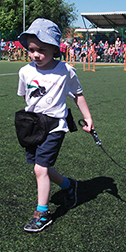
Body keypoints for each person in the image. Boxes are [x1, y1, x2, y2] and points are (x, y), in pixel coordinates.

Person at [16, 18, 94, 233]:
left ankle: (42, 214)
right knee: (40, 169)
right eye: (31, 50)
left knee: (40, 168)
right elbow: (26, 97)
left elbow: (78, 95)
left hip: (55, 126)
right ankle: (70, 185)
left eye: (41, 50)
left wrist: (88, 118)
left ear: (54, 49)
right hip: (33, 125)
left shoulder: (66, 70)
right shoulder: (25, 72)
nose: (35, 55)